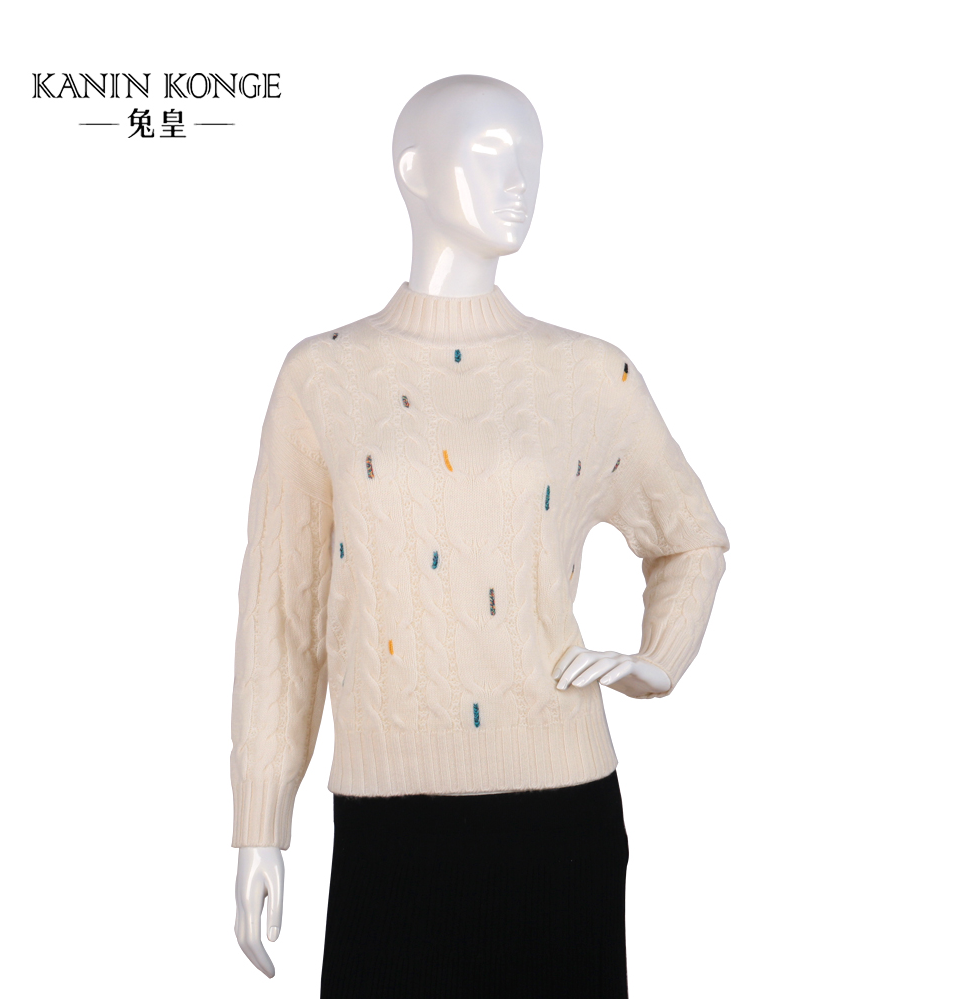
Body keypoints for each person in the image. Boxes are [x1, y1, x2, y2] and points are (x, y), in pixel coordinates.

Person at [231, 75, 729, 998]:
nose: (520, 179)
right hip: (389, 823)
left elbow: (690, 538)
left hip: (563, 816)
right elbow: (281, 616)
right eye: (491, 152)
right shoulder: (322, 376)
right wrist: (261, 823)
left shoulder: (589, 373)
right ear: (413, 170)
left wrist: (655, 660)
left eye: (532, 155)